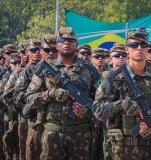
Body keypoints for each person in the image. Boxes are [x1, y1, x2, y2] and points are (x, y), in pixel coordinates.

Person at [93, 30, 151, 160]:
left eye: (143, 45)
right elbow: (98, 110)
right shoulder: (114, 77)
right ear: (127, 49)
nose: (139, 48)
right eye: (134, 45)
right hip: (121, 151)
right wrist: (122, 105)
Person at [26, 27, 101, 160]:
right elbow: (29, 99)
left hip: (81, 135)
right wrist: (50, 94)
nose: (67, 43)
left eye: (71, 40)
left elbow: (102, 101)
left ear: (76, 44)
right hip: (52, 134)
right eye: (62, 40)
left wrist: (88, 111)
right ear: (57, 44)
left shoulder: (89, 68)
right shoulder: (45, 68)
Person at [14, 39, 42, 160]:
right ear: (27, 52)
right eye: (33, 50)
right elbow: (16, 96)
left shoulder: (49, 68)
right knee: (27, 153)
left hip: (47, 119)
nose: (37, 52)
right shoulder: (26, 71)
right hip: (29, 119)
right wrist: (33, 99)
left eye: (39, 50)